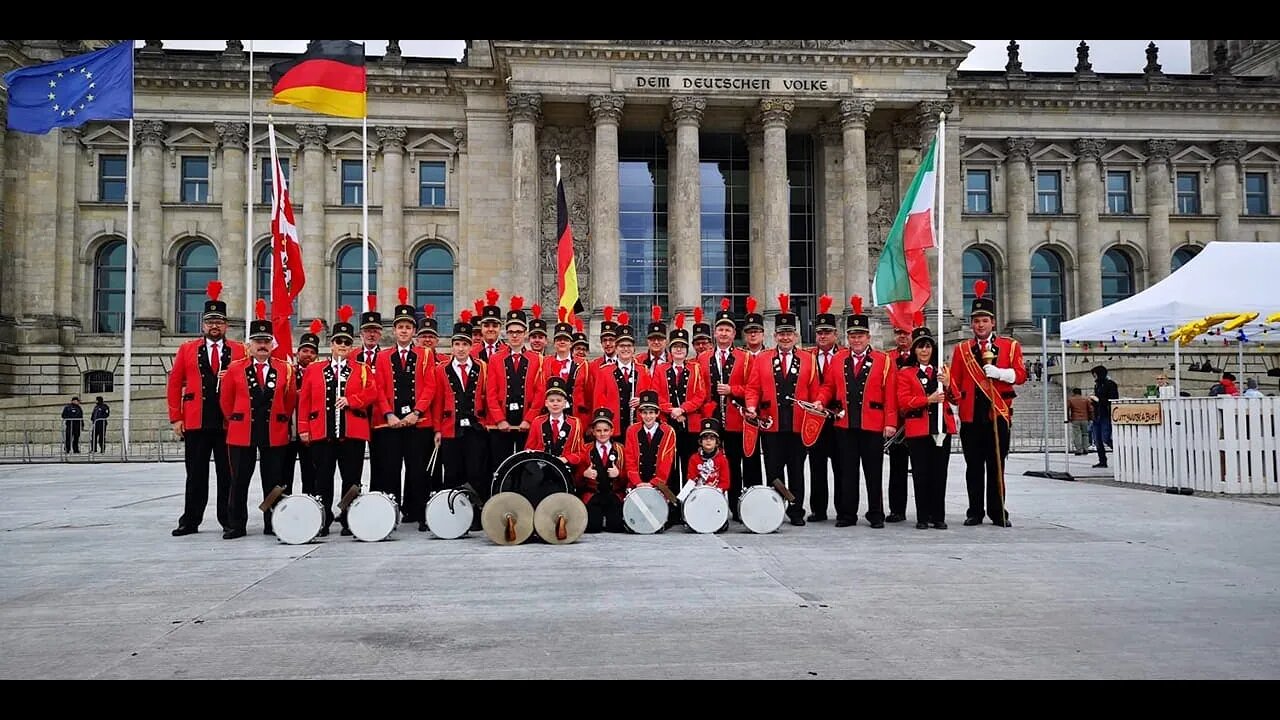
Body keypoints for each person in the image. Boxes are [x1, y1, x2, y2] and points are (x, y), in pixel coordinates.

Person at [167, 281, 244, 537]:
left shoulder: (238, 350)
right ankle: (190, 520)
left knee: (227, 475)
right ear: (203, 325)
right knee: (196, 475)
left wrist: (231, 374)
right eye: (210, 322)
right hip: (196, 421)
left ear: (226, 326)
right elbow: (175, 382)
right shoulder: (187, 349)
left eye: (219, 322)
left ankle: (229, 520)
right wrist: (175, 418)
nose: (214, 326)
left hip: (226, 423)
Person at [745, 294, 829, 527]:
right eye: (781, 333)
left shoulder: (808, 360)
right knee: (772, 470)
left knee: (796, 471)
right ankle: (774, 509)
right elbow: (752, 387)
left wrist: (819, 402)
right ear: (775, 336)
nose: (785, 337)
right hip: (771, 425)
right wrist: (751, 405)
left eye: (789, 333)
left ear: (796, 336)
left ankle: (796, 510)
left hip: (797, 425)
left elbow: (818, 389)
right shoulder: (762, 359)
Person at [949, 280, 1026, 528]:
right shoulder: (962, 350)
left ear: (992, 322)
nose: (980, 325)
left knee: (996, 465)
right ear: (972, 324)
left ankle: (997, 510)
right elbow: (957, 382)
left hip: (998, 415)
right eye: (976, 321)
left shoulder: (1009, 346)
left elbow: (1020, 375)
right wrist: (947, 387)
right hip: (971, 417)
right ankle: (975, 511)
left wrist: (1000, 373)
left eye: (984, 320)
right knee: (973, 468)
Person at [298, 306, 379, 537]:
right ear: (331, 345)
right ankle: (322, 519)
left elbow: (372, 393)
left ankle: (348, 518)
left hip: (352, 432)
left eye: (346, 342)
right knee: (322, 478)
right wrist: (304, 428)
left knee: (351, 478)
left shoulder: (361, 369)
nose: (342, 346)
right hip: (322, 432)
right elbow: (304, 400)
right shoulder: (315, 369)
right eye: (338, 342)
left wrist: (351, 400)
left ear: (351, 345)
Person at [220, 301, 297, 539]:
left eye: (266, 342)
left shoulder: (285, 369)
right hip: (243, 431)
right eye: (257, 342)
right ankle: (236, 524)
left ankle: (272, 522)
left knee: (273, 481)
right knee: (239, 480)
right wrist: (236, 419)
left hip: (273, 431)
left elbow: (290, 398)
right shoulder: (234, 369)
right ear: (249, 345)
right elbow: (226, 401)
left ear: (272, 345)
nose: (262, 346)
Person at [823, 295, 897, 528]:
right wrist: (819, 400)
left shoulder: (883, 361)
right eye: (852, 336)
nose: (856, 340)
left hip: (872, 424)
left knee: (873, 472)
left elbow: (890, 395)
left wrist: (890, 422)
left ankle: (876, 513)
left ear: (868, 337)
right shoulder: (837, 360)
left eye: (860, 336)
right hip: (845, 424)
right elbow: (828, 386)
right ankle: (847, 514)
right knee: (847, 472)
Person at [373, 288, 436, 526]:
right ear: (395, 330)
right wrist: (388, 414)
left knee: (417, 470)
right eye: (400, 327)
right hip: (390, 423)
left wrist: (417, 412)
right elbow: (379, 387)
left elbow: (430, 387)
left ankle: (418, 513)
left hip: (416, 422)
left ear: (414, 331)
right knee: (390, 471)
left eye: (408, 327)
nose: (404, 331)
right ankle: (390, 513)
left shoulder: (425, 355)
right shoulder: (383, 357)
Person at [427, 311, 491, 530]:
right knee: (453, 473)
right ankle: (453, 514)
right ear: (452, 346)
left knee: (475, 472)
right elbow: (437, 402)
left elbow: (487, 396)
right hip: (450, 429)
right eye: (457, 344)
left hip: (475, 428)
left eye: (465, 343)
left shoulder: (482, 367)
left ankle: (473, 516)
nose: (461, 348)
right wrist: (437, 430)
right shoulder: (440, 369)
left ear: (471, 345)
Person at [896, 326, 958, 530]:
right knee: (921, 474)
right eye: (920, 347)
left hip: (941, 428)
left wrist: (948, 384)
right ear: (914, 350)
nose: (924, 351)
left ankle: (938, 515)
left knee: (940, 474)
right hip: (919, 430)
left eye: (928, 347)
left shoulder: (942, 370)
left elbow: (956, 399)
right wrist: (927, 399)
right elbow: (904, 402)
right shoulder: (906, 373)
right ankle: (922, 516)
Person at [486, 295, 543, 481]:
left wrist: (529, 419)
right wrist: (499, 420)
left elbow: (540, 393)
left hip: (525, 424)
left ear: (525, 333)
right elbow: (491, 393)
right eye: (511, 332)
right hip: (501, 424)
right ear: (506, 333)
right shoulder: (496, 359)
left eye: (519, 331)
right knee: (500, 467)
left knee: (526, 466)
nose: (515, 335)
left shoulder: (536, 359)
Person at [702, 298, 749, 522]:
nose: (723, 333)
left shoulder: (744, 357)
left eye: (727, 330)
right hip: (710, 420)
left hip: (734, 420)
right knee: (708, 464)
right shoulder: (703, 358)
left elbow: (751, 388)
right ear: (715, 332)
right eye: (720, 329)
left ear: (734, 333)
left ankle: (735, 506)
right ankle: (710, 505)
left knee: (733, 465)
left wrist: (732, 389)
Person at [654, 312, 710, 488]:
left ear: (687, 350)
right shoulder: (660, 370)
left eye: (682, 346)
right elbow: (656, 395)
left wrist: (683, 409)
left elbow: (700, 395)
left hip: (690, 424)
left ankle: (688, 502)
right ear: (670, 350)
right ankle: (671, 503)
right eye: (675, 346)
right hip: (668, 423)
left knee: (689, 465)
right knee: (669, 464)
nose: (679, 349)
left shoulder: (696, 369)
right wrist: (672, 410)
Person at [806, 295, 843, 523]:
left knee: (841, 468)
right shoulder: (807, 356)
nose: (823, 336)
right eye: (820, 332)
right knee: (816, 467)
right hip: (814, 420)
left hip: (839, 421)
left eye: (827, 332)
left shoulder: (844, 355)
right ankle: (818, 509)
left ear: (835, 334)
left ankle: (842, 509)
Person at [591, 315, 653, 444]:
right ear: (616, 348)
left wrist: (641, 400)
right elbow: (598, 401)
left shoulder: (643, 370)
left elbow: (651, 395)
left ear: (633, 348)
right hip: (613, 426)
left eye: (629, 345)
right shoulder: (604, 371)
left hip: (637, 424)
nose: (626, 349)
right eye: (622, 345)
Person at [282, 320, 322, 497]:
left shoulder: (321, 374)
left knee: (311, 474)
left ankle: (310, 505)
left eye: (312, 352)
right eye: (305, 351)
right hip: (288, 430)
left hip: (311, 432)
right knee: (284, 473)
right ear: (298, 353)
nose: (308, 355)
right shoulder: (288, 372)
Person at [884, 318, 916, 523]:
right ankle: (897, 509)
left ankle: (928, 508)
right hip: (897, 423)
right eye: (898, 332)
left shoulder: (923, 355)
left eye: (906, 332)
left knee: (923, 468)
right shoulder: (888, 358)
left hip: (918, 420)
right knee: (897, 469)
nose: (902, 336)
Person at [577, 408, 626, 533]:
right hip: (593, 494)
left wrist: (619, 474)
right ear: (593, 431)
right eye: (598, 431)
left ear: (612, 431)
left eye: (605, 430)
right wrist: (584, 474)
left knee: (616, 527)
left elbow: (629, 475)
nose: (602, 434)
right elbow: (576, 479)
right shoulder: (585, 449)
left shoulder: (621, 449)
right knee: (592, 527)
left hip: (614, 494)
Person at [524, 376, 585, 467]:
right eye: (551, 400)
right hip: (541, 469)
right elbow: (529, 450)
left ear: (565, 403)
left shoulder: (575, 424)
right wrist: (538, 459)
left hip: (565, 469)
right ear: (546, 403)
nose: (555, 404)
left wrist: (566, 459)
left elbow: (581, 453)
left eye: (559, 400)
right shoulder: (537, 422)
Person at [686, 417, 731, 493]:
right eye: (705, 438)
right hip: (699, 493)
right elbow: (691, 480)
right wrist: (703, 487)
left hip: (716, 494)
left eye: (712, 438)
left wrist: (715, 490)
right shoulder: (694, 458)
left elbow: (726, 483)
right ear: (700, 441)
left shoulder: (723, 460)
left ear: (717, 442)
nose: (708, 440)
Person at [1089, 365, 1119, 468]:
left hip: (1106, 414)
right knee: (1097, 440)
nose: (1094, 377)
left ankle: (1121, 453)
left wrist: (1098, 400)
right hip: (1098, 414)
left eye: (1095, 375)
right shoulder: (1097, 385)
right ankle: (1102, 460)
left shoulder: (1110, 384)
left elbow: (1113, 400)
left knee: (1106, 437)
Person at [639, 306, 668, 371]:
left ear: (665, 341)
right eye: (652, 339)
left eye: (660, 339)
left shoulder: (673, 360)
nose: (656, 342)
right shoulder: (638, 361)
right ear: (648, 341)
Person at [1067, 388, 1092, 456]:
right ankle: (1086, 449)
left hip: (1075, 419)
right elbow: (1090, 409)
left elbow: (1067, 408)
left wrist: (1068, 417)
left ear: (1074, 393)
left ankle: (1079, 450)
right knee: (1085, 434)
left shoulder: (1071, 399)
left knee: (1077, 435)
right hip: (1085, 419)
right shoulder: (1086, 399)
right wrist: (1090, 418)